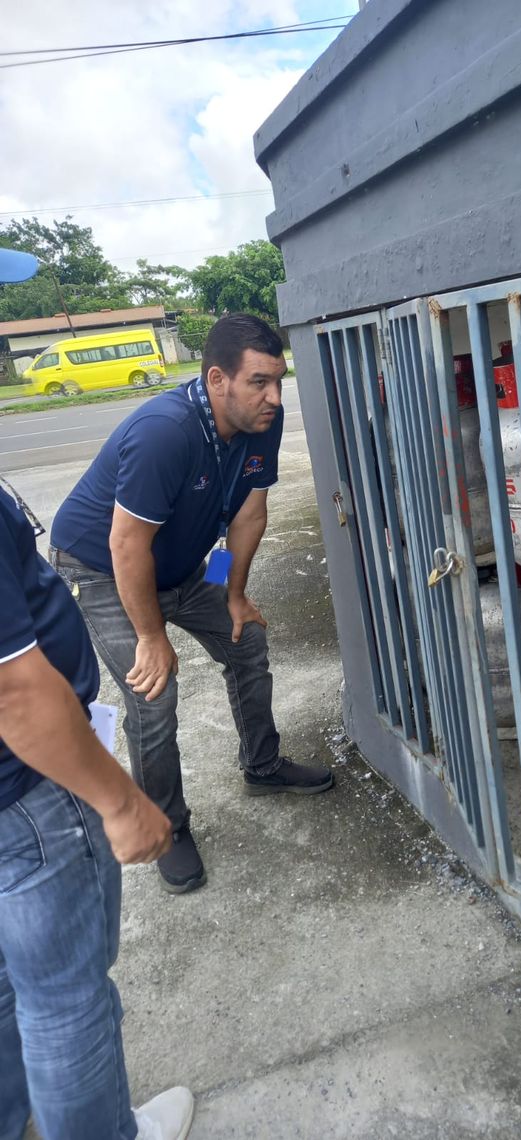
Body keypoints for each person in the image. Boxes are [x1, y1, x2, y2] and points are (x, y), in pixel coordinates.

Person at [0, 246, 195, 1139]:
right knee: (68, 1000)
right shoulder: (162, 428)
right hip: (29, 797)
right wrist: (118, 803)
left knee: (12, 993)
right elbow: (17, 695)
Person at [49, 313, 333, 896]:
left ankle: (263, 765)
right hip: (103, 569)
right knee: (154, 691)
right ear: (216, 380)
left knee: (246, 637)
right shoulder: (166, 431)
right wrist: (153, 638)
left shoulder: (261, 424)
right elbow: (126, 544)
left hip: (178, 567)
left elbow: (246, 516)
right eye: (260, 382)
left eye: (279, 380)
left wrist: (231, 593)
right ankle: (168, 825)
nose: (274, 398)